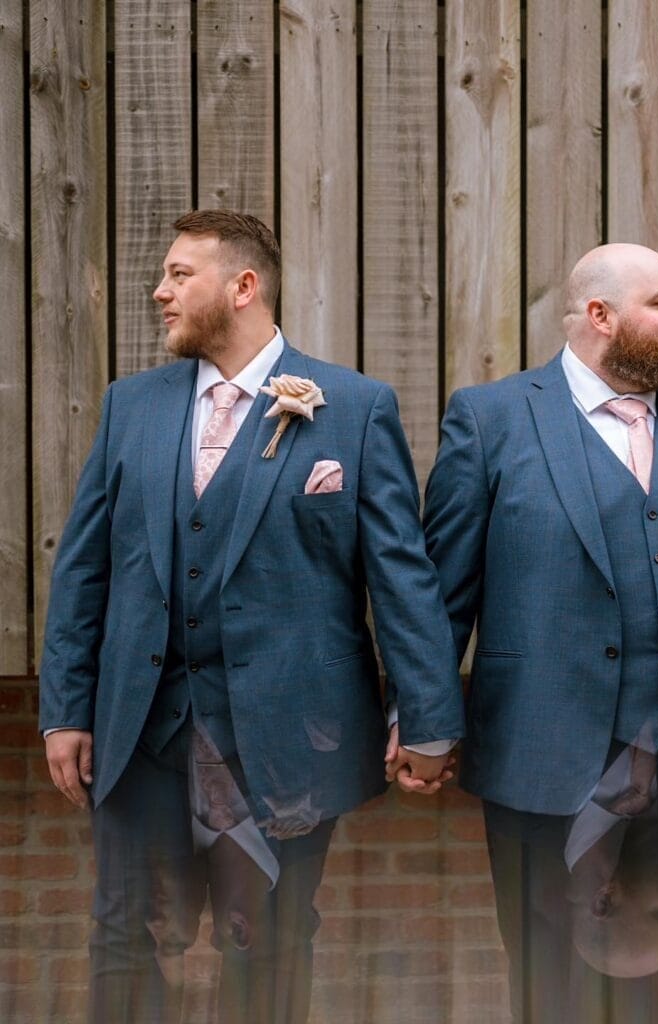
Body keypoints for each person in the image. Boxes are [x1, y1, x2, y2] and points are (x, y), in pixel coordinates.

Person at [39, 209, 464, 1024]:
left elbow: (399, 576)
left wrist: (429, 718)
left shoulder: (353, 405)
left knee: (267, 943)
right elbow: (87, 566)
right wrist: (65, 708)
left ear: (243, 286)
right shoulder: (132, 405)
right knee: (127, 935)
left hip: (289, 735)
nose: (159, 292)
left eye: (178, 275)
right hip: (142, 729)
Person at [422, 243, 658, 1022]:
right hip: (542, 745)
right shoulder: (491, 419)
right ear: (599, 316)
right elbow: (441, 590)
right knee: (548, 972)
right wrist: (421, 720)